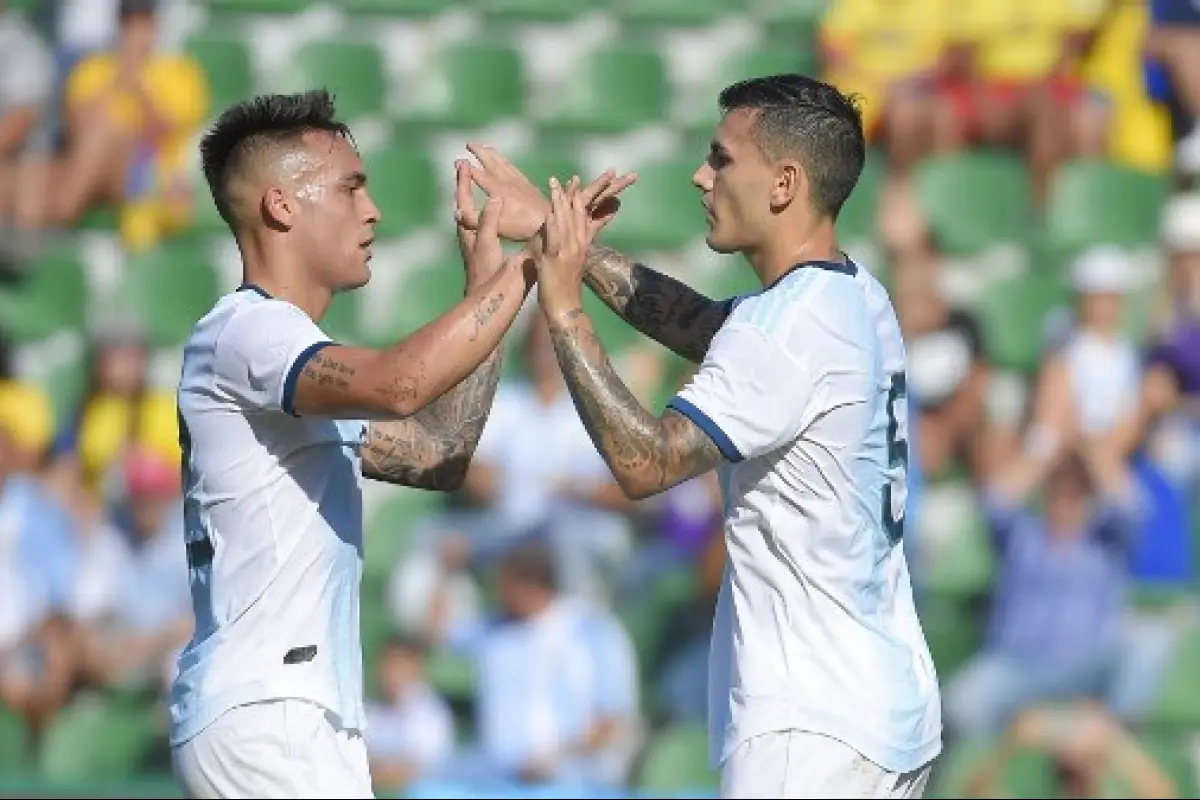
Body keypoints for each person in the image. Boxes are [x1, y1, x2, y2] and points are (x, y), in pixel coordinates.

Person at [464, 73, 942, 798]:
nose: (701, 175)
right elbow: (705, 326)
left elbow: (645, 464)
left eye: (721, 159)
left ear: (783, 183)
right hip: (879, 702)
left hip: (808, 727)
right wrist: (554, 234)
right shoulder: (851, 295)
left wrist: (562, 306)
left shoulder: (780, 330)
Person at [167, 89, 629, 798]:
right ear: (281, 206)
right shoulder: (249, 333)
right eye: (351, 187)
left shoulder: (284, 357)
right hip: (271, 716)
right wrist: (538, 257)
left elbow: (441, 453)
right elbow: (403, 384)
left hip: (297, 717)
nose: (373, 209)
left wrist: (483, 279)